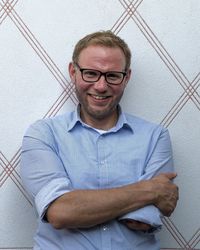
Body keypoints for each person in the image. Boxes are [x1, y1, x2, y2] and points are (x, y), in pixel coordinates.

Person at [20, 30, 178, 250]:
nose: (101, 86)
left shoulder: (155, 136)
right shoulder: (42, 134)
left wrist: (81, 203)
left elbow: (141, 220)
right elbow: (61, 213)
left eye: (112, 75)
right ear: (73, 72)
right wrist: (150, 191)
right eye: (91, 73)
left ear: (127, 77)